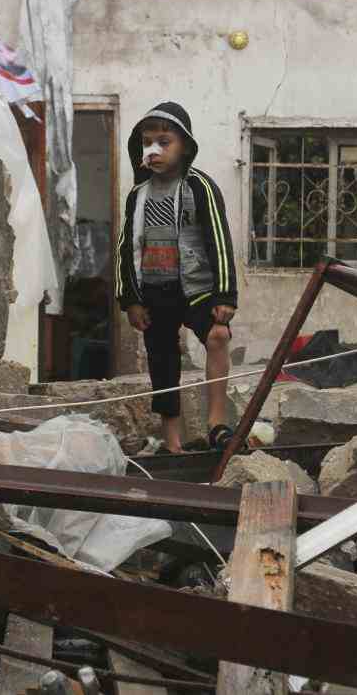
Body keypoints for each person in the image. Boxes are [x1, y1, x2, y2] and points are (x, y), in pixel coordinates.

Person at [116, 102, 238, 454]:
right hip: (156, 292)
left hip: (196, 288)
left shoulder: (200, 187)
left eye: (164, 142)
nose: (153, 150)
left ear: (185, 146)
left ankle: (217, 423)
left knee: (217, 335)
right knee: (163, 364)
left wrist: (225, 294)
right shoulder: (138, 196)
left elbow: (219, 239)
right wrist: (131, 299)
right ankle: (173, 444)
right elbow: (126, 246)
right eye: (147, 143)